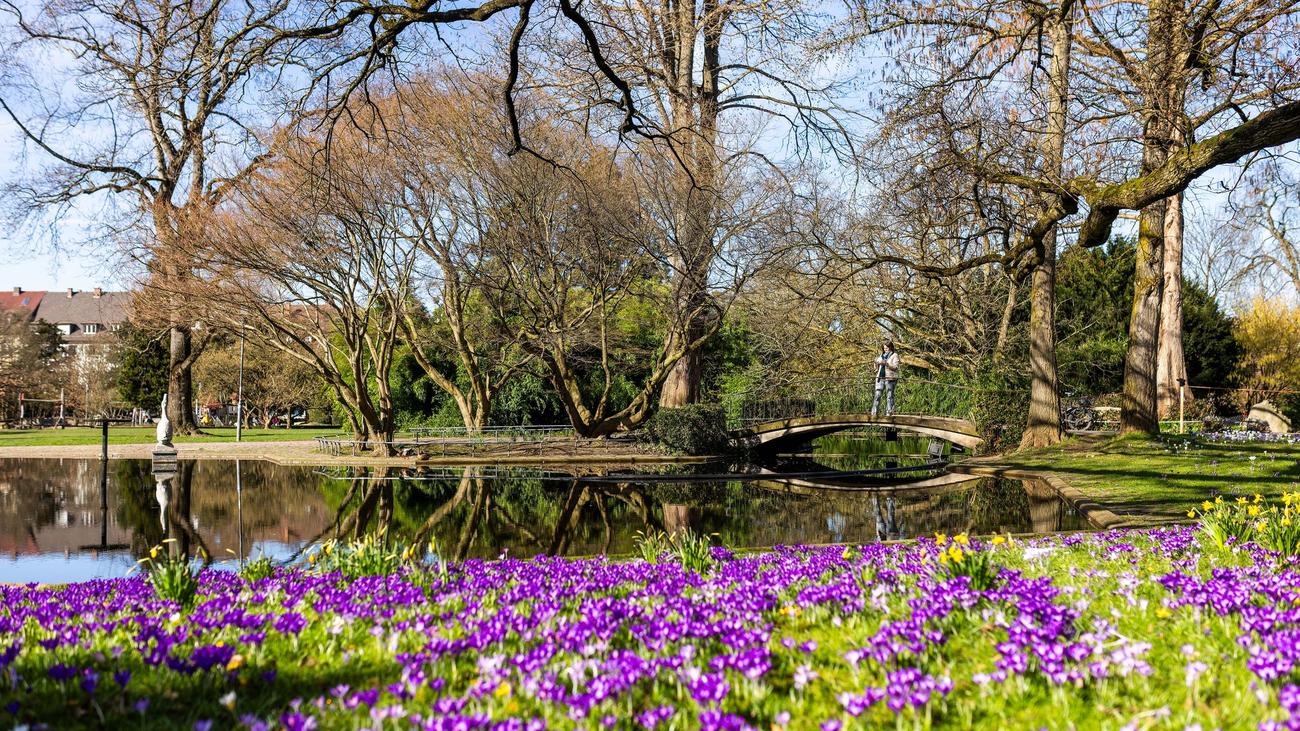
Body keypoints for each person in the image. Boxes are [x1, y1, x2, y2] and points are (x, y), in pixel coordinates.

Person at [871, 339, 900, 417]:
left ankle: (889, 413)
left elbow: (895, 367)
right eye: (884, 348)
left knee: (889, 396)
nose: (886, 349)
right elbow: (876, 367)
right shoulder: (881, 356)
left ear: (891, 347)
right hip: (880, 378)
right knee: (877, 395)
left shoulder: (895, 355)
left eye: (887, 348)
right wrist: (876, 364)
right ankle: (874, 413)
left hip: (890, 378)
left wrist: (886, 364)